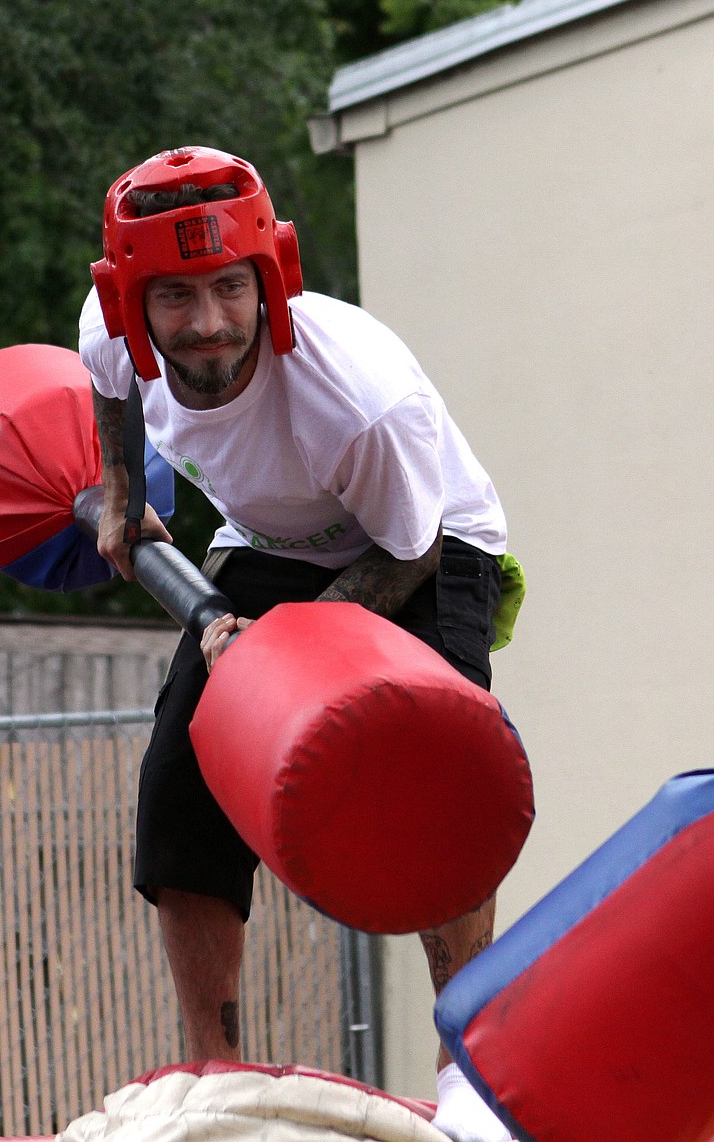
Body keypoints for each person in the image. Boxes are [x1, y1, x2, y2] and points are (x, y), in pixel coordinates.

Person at [79, 146, 519, 1142]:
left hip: (422, 542)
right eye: (177, 298)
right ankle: (212, 1068)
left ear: (269, 279)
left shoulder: (356, 400)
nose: (207, 325)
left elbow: (407, 551)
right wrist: (120, 491)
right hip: (272, 538)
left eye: (231, 288)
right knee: (178, 773)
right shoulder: (112, 334)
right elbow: (108, 387)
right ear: (130, 302)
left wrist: (278, 646)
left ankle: (465, 1082)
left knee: (430, 776)